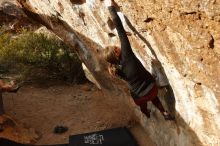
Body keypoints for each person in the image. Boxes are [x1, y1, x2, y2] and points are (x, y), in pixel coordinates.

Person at [104, 0, 175, 120]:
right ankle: (165, 113)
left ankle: (146, 113)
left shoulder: (116, 70)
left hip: (139, 97)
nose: (118, 46)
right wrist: (110, 7)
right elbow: (121, 30)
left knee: (142, 102)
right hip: (153, 90)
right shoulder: (127, 55)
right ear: (116, 52)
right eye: (116, 47)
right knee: (152, 96)